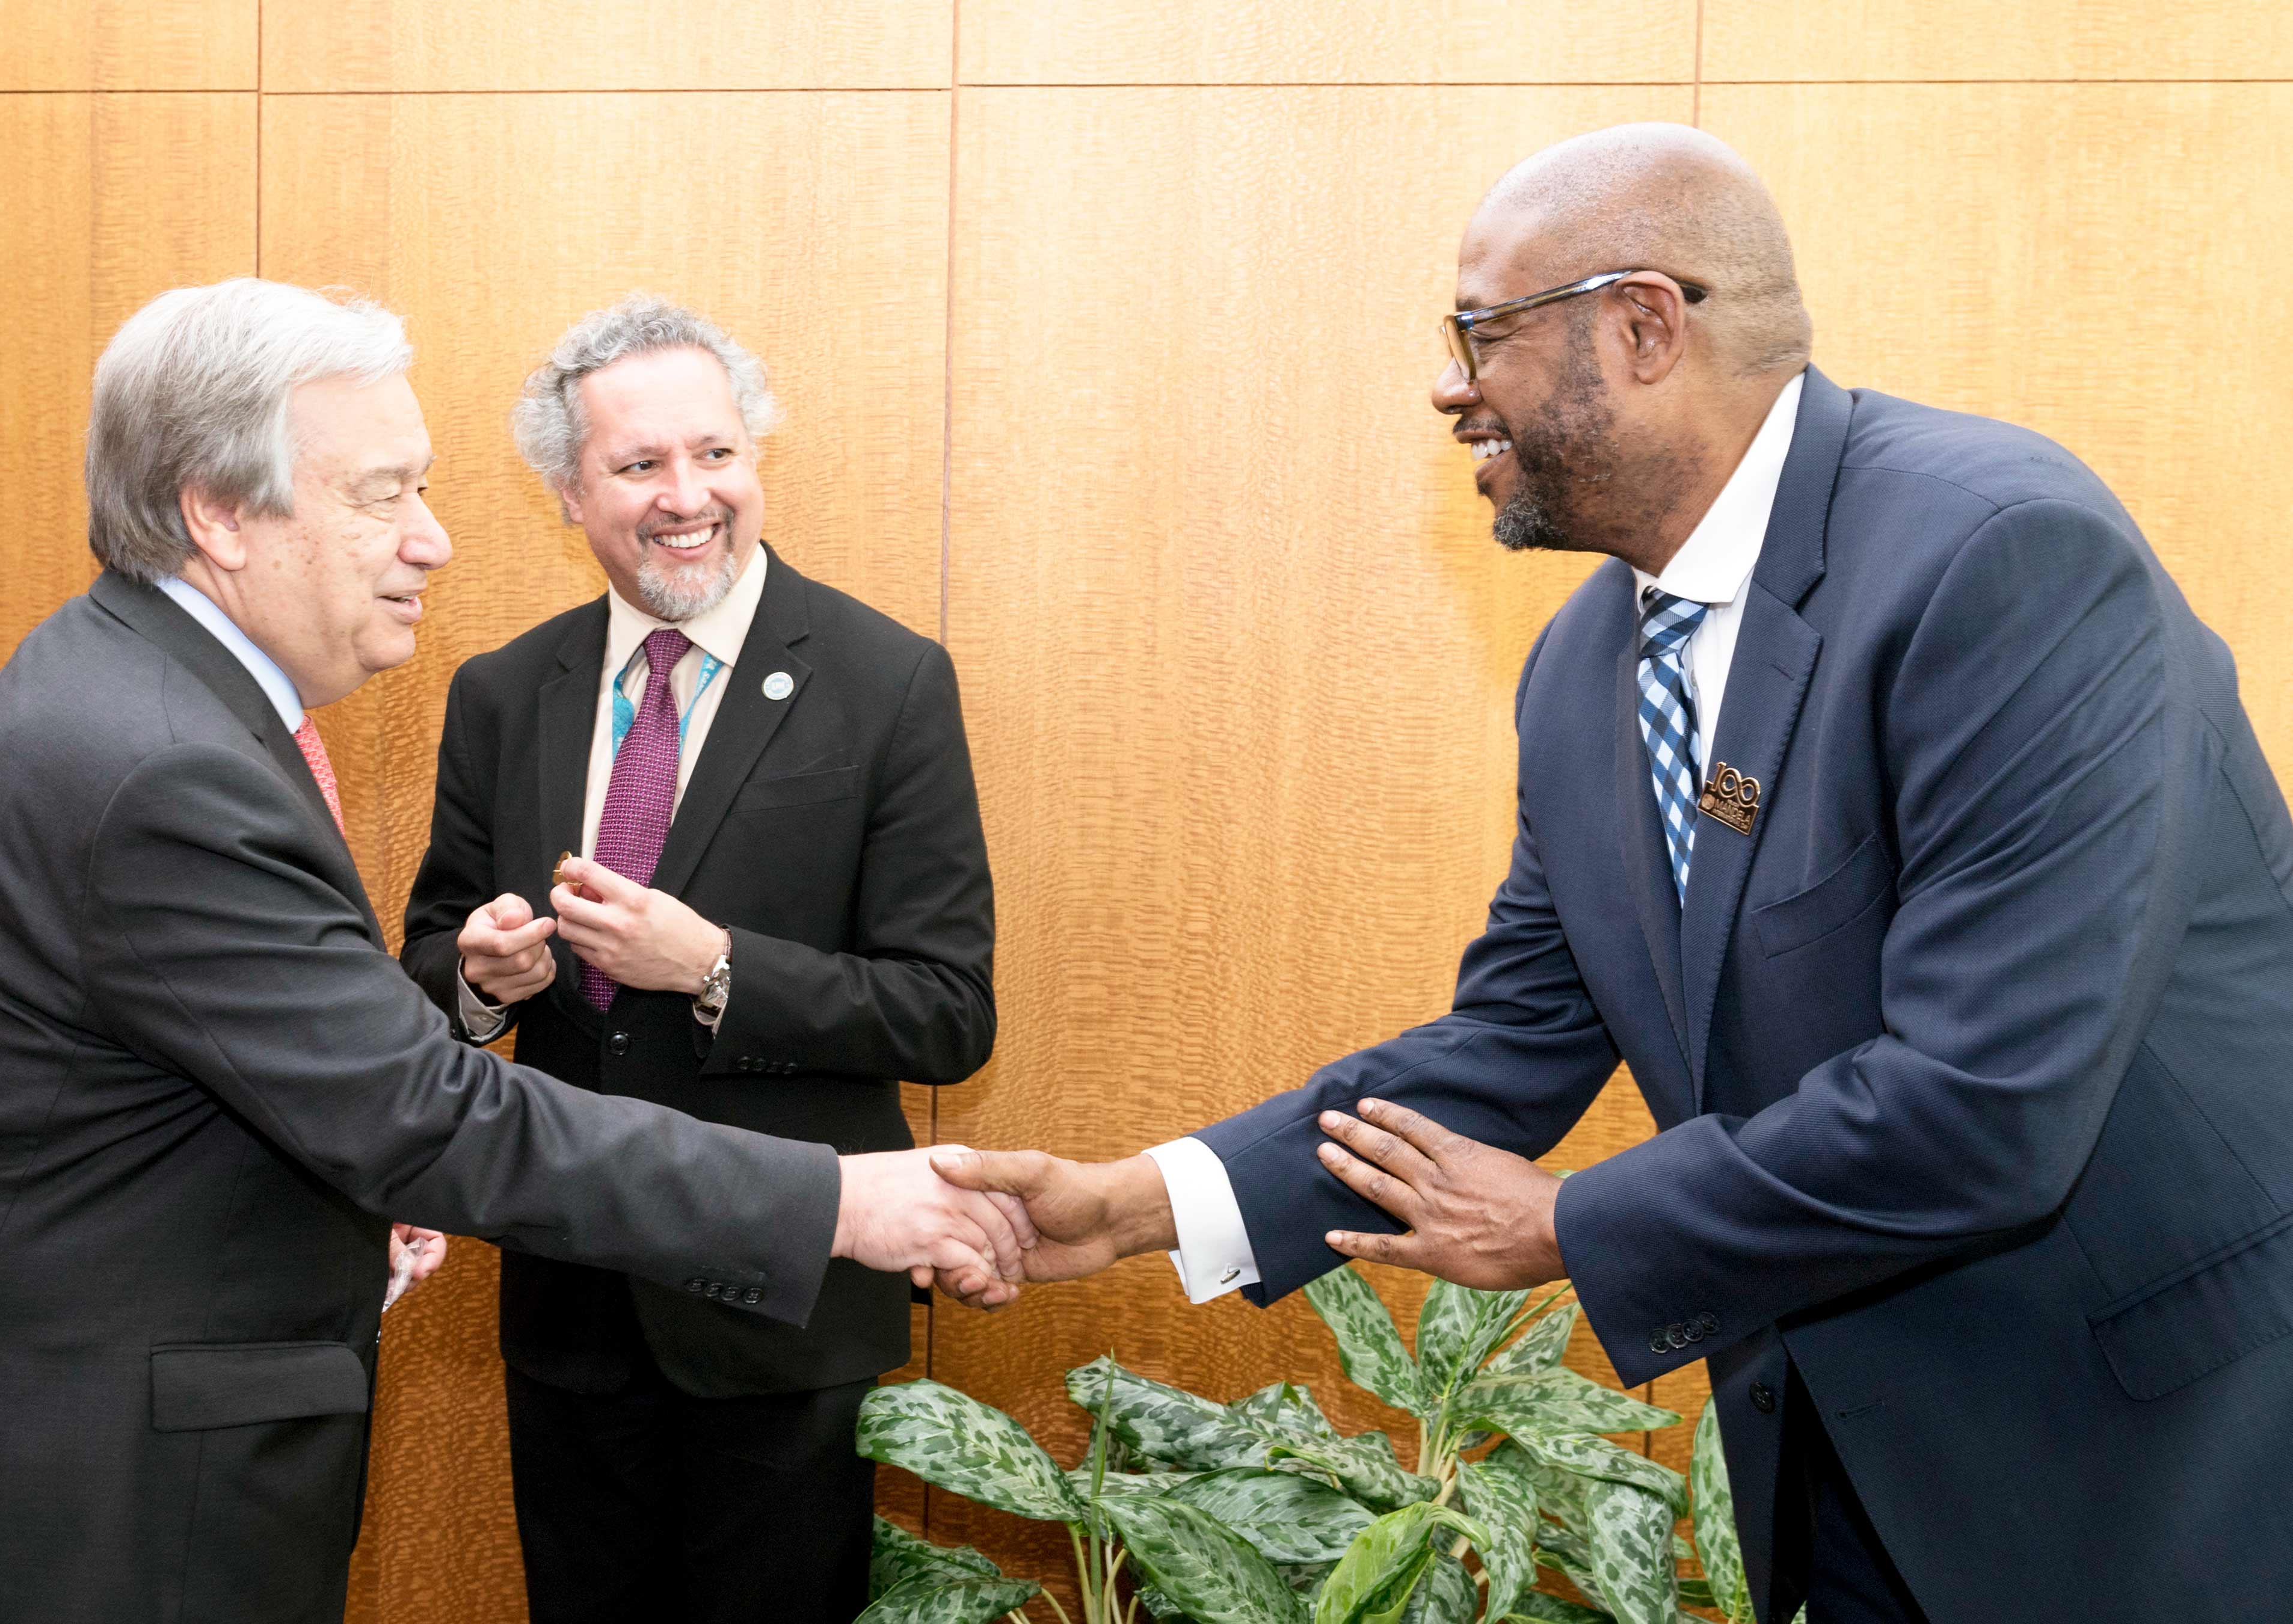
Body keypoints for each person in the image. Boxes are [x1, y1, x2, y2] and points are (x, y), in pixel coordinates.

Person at [938, 125, 2293, 1620]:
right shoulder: (1584, 667)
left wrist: (1567, 1227)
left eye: (1480, 334)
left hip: (2142, 1457)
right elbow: (1511, 1040)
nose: (1450, 387)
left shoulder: (2001, 558)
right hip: (1849, 1470)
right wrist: (1136, 1205)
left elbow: (1989, 1102)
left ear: (1643, 324)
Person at [0, 278, 1023, 1624]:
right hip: (115, 1477)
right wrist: (839, 1203)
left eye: (716, 451)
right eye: (383, 494)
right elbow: (414, 1093)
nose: (431, 542)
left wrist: (711, 971)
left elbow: (257, 1067)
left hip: (742, 1357)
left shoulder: (134, 698)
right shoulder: (169, 758)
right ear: (218, 511)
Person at [397, 294, 997, 1624]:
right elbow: (428, 959)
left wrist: (713, 965)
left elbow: (949, 1014)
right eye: (639, 465)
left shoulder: (885, 680)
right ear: (568, 492)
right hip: (570, 1304)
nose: (688, 496)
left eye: (715, 454)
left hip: (778, 1315)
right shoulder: (503, 692)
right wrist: (479, 982)